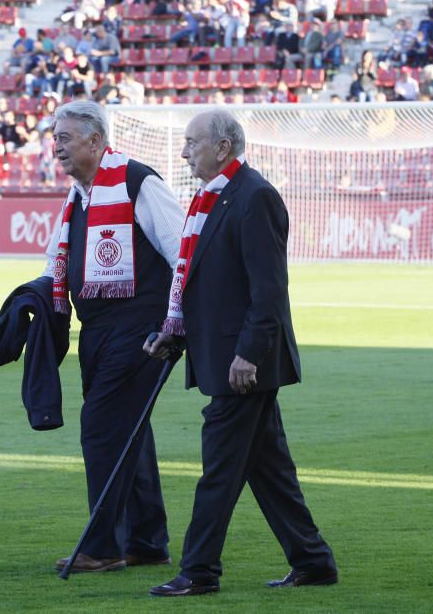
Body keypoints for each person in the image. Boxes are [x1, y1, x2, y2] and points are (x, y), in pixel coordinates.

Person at [145, 109, 337, 597]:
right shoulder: (211, 199)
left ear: (223, 147)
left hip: (243, 365)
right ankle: (313, 561)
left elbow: (269, 290)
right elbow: (209, 286)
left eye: (193, 142)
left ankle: (199, 571)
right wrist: (177, 332)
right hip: (223, 356)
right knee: (268, 470)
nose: (185, 151)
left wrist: (248, 354)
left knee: (219, 471)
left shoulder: (255, 197)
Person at [43, 101, 185, 573]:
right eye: (55, 136)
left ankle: (102, 547)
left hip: (142, 330)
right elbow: (55, 268)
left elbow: (182, 250)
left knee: (102, 429)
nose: (56, 145)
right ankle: (146, 541)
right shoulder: (77, 197)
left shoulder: (136, 182)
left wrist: (174, 324)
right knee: (129, 433)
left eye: (65, 137)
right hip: (98, 331)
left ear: (96, 140)